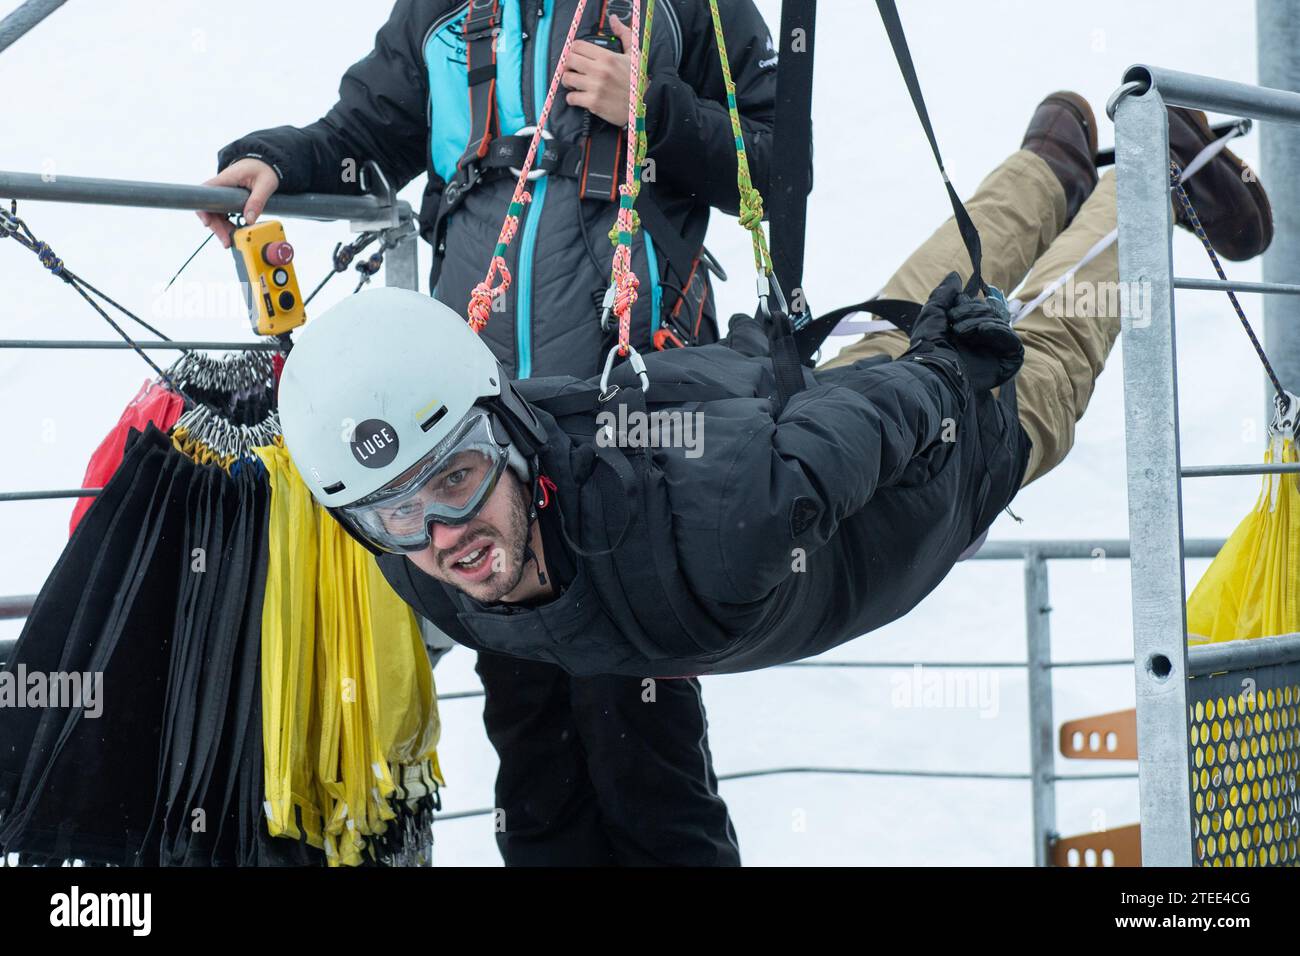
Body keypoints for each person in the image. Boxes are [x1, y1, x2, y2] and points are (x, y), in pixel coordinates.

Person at [275, 92, 1272, 678]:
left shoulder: (719, 527)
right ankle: (1047, 170)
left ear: (508, 445)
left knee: (1040, 353)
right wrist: (761, 362)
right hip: (832, 457)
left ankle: (1154, 173)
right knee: (900, 314)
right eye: (396, 513)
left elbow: (838, 428)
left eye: (452, 484)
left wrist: (951, 377)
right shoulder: (421, 561)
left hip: (926, 473)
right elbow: (654, 412)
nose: (440, 536)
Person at [199, 0, 784, 866]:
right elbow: (367, 134)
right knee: (529, 744)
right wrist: (274, 159)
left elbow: (776, 168)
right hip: (475, 438)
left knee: (642, 744)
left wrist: (655, 108)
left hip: (624, 425)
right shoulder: (442, 8)